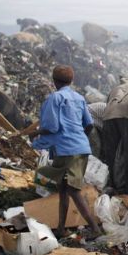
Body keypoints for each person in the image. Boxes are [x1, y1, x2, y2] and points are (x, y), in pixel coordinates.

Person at [31, 65, 102, 238]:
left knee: (72, 189)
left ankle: (95, 229)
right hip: (79, 148)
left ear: (54, 81)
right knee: (62, 188)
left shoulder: (54, 98)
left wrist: (36, 132)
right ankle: (61, 228)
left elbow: (51, 126)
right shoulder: (79, 98)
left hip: (67, 149)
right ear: (71, 80)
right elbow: (89, 124)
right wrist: (79, 139)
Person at [101, 80, 128, 195]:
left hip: (108, 115)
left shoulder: (117, 88)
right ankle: (125, 189)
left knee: (110, 153)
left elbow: (107, 102)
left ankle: (110, 184)